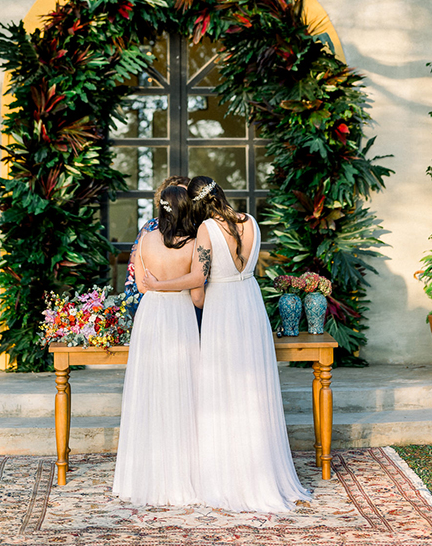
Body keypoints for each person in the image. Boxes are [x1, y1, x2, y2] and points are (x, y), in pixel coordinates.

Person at [142, 176, 310, 513]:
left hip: (223, 311)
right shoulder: (251, 221)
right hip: (250, 305)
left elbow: (197, 281)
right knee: (254, 391)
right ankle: (259, 472)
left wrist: (160, 286)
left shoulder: (205, 229)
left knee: (222, 393)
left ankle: (226, 479)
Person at [113, 184, 201, 506]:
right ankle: (184, 472)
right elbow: (196, 292)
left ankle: (141, 474)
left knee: (149, 389)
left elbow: (140, 284)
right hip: (179, 313)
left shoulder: (145, 240)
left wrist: (156, 285)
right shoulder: (192, 244)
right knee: (182, 388)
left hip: (150, 315)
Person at [123, 175, 190, 317]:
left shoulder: (197, 228)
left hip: (188, 302)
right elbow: (134, 270)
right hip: (154, 302)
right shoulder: (150, 228)